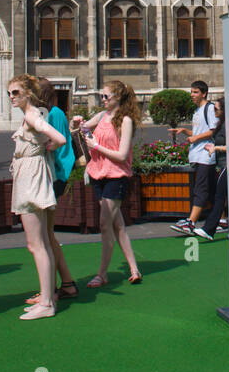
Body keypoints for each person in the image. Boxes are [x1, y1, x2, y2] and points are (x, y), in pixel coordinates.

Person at [71, 81, 142, 288]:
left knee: (104, 225)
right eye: (102, 96)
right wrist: (77, 123)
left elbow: (122, 155)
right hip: (98, 174)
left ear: (117, 98)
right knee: (117, 225)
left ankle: (102, 274)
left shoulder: (126, 120)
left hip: (116, 176)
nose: (102, 100)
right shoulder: (102, 117)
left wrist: (97, 146)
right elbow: (79, 130)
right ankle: (134, 268)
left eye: (106, 96)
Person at [8, 75, 67, 320]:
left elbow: (60, 138)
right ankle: (46, 297)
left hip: (31, 177)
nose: (12, 97)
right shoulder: (31, 114)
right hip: (32, 175)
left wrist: (49, 145)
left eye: (16, 92)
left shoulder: (33, 115)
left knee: (37, 244)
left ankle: (46, 303)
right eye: (10, 93)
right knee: (41, 241)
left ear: (29, 93)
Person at [25, 77, 77, 306]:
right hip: (54, 176)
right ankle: (64, 283)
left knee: (44, 237)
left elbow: (54, 145)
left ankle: (53, 289)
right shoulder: (53, 113)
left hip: (52, 176)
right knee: (47, 236)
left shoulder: (51, 115)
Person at [169, 80, 219, 236]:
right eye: (191, 92)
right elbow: (198, 132)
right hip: (197, 155)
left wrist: (196, 139)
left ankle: (191, 222)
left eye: (195, 92)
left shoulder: (209, 108)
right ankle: (223, 219)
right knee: (212, 190)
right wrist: (185, 131)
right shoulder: (197, 111)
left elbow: (213, 130)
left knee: (201, 189)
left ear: (204, 93)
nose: (192, 95)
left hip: (206, 154)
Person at [195, 98, 229, 241]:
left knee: (219, 197)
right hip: (222, 164)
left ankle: (209, 229)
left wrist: (216, 148)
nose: (214, 111)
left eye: (216, 109)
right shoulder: (221, 125)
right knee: (225, 197)